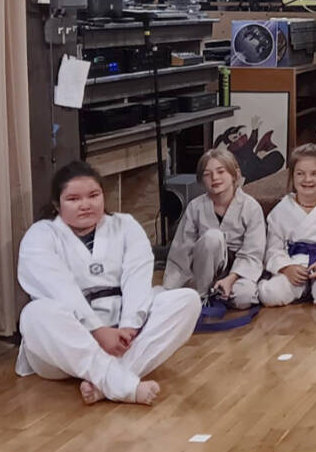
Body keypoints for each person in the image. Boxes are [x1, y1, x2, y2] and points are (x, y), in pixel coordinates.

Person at [16, 162, 200, 406]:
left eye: (93, 195)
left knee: (187, 300)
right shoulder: (41, 234)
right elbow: (59, 289)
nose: (85, 204)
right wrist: (97, 330)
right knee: (35, 314)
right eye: (73, 199)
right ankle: (123, 384)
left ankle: (106, 383)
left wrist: (130, 325)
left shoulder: (125, 225)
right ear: (57, 205)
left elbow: (137, 276)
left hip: (123, 337)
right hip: (66, 347)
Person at [163, 149, 265, 309]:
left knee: (244, 298)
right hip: (203, 272)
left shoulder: (251, 207)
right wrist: (169, 290)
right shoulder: (195, 207)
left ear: (235, 174)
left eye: (221, 171)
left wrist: (230, 279)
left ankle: (221, 290)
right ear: (201, 180)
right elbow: (182, 251)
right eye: (207, 174)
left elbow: (253, 252)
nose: (215, 178)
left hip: (238, 272)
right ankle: (204, 295)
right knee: (212, 237)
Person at [257, 144, 316, 308]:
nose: (307, 179)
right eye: (300, 174)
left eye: (315, 174)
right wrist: (286, 267)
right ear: (292, 177)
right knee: (271, 295)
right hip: (295, 264)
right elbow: (273, 249)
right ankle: (297, 289)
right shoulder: (281, 210)